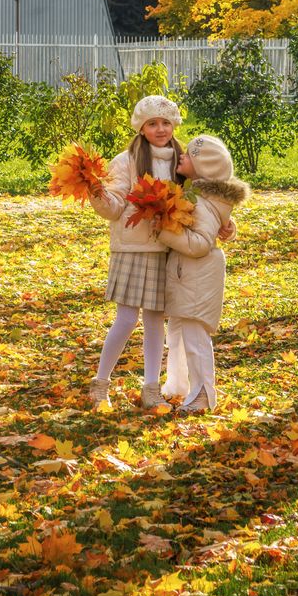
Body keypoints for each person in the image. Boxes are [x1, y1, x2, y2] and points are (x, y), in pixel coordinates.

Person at [87, 95, 185, 410]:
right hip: (131, 249)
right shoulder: (126, 160)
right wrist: (98, 195)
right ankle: (100, 383)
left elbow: (196, 201)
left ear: (174, 126)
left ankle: (151, 387)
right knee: (127, 319)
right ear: (141, 128)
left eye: (165, 123)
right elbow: (114, 208)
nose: (160, 129)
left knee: (157, 320)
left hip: (165, 249)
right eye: (153, 123)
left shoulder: (180, 162)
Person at [157, 135, 249, 414]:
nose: (182, 157)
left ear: (203, 167)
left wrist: (163, 231)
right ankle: (178, 386)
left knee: (195, 338)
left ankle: (203, 395)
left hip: (196, 277)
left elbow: (198, 244)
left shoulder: (202, 203)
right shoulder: (200, 196)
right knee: (177, 335)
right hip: (187, 277)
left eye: (189, 155)